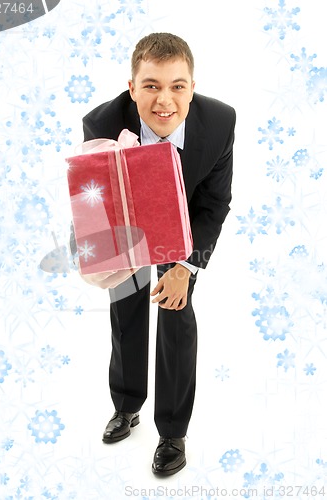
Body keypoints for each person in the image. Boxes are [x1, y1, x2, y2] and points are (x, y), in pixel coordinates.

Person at [81, 32, 236, 476]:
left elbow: (214, 203)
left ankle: (172, 432)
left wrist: (185, 268)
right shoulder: (101, 123)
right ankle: (127, 404)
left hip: (184, 222)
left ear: (192, 85)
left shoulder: (221, 122)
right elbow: (97, 196)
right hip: (129, 217)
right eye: (151, 85)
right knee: (125, 305)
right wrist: (97, 252)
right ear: (132, 88)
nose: (164, 99)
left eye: (177, 86)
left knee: (175, 313)